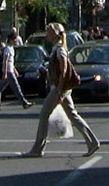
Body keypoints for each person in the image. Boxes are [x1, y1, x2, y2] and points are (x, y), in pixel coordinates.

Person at [21, 22, 99, 158]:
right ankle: (92, 141)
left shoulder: (60, 50)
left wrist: (59, 91)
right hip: (60, 88)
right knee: (73, 115)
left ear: (57, 34)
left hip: (59, 88)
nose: (47, 34)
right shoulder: (56, 48)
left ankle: (37, 149)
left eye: (49, 31)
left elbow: (64, 71)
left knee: (44, 113)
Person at [0, 28, 31, 109]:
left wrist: (15, 70)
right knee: (16, 87)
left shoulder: (11, 48)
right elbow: (6, 61)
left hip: (10, 70)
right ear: (11, 40)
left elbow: (11, 62)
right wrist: (5, 72)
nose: (16, 41)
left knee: (0, 88)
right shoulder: (7, 49)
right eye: (15, 39)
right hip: (8, 71)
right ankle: (24, 102)